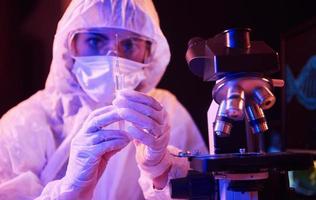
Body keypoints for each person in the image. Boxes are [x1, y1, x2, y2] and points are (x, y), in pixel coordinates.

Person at [0, 0, 207, 199]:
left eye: (129, 44)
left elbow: (207, 192)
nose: (113, 56)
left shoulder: (163, 112)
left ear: (149, 53)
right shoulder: (24, 124)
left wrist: (162, 172)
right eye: (95, 40)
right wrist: (70, 190)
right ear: (69, 46)